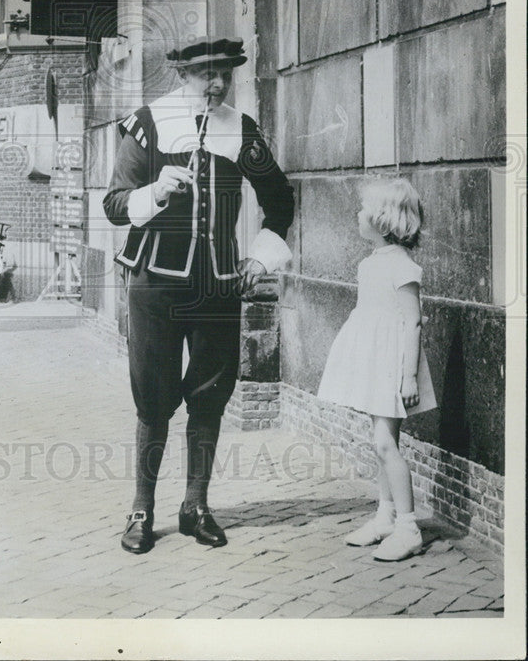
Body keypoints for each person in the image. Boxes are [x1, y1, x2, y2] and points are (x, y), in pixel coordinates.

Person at [104, 36, 294, 554]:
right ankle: (142, 510)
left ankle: (195, 506)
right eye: (205, 73)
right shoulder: (147, 124)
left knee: (210, 395)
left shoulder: (241, 130)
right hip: (155, 284)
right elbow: (114, 204)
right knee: (153, 400)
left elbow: (279, 199)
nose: (216, 83)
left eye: (224, 74)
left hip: (217, 286)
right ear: (182, 77)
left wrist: (260, 256)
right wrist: (154, 189)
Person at [317, 178, 437, 562]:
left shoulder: (403, 266)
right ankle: (385, 515)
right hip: (374, 361)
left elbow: (413, 322)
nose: (356, 215)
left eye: (362, 209)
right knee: (382, 443)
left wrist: (407, 376)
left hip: (392, 366)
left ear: (383, 219)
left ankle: (408, 526)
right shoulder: (370, 263)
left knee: (385, 444)